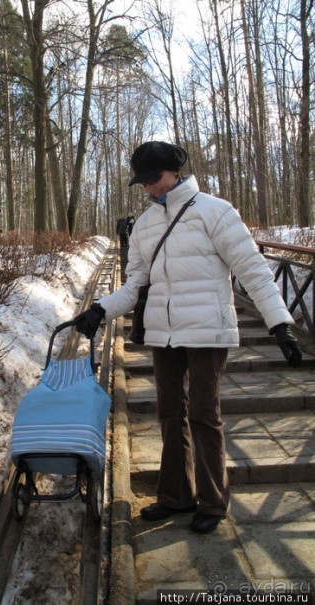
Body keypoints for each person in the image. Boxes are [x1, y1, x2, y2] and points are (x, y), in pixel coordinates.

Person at [73, 141, 302, 534]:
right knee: (169, 414)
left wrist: (279, 324)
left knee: (202, 413)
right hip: (164, 333)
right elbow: (136, 285)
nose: (150, 189)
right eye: (143, 183)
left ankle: (213, 501)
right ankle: (176, 497)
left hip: (208, 331)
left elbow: (253, 270)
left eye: (154, 179)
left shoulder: (215, 212)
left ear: (175, 172)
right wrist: (100, 309)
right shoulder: (145, 226)